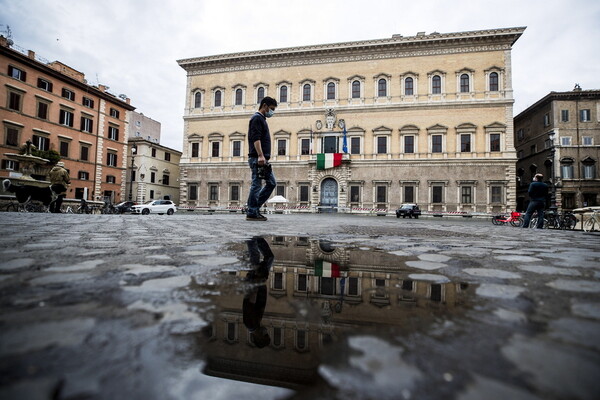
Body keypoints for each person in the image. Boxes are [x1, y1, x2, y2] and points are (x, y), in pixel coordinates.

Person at [246, 96, 277, 221]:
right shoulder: (257, 118)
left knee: (271, 183)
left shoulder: (262, 119)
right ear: (264, 106)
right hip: (257, 158)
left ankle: (253, 208)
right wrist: (260, 155)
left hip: (262, 159)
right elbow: (256, 138)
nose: (272, 112)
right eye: (271, 109)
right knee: (256, 184)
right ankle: (252, 211)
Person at [243, 237, 274, 348]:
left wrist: (256, 282)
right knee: (269, 258)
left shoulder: (250, 324)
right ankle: (257, 238)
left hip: (255, 281)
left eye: (265, 336)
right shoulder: (255, 324)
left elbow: (250, 302)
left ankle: (251, 237)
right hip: (258, 282)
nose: (266, 333)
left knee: (255, 257)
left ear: (259, 338)